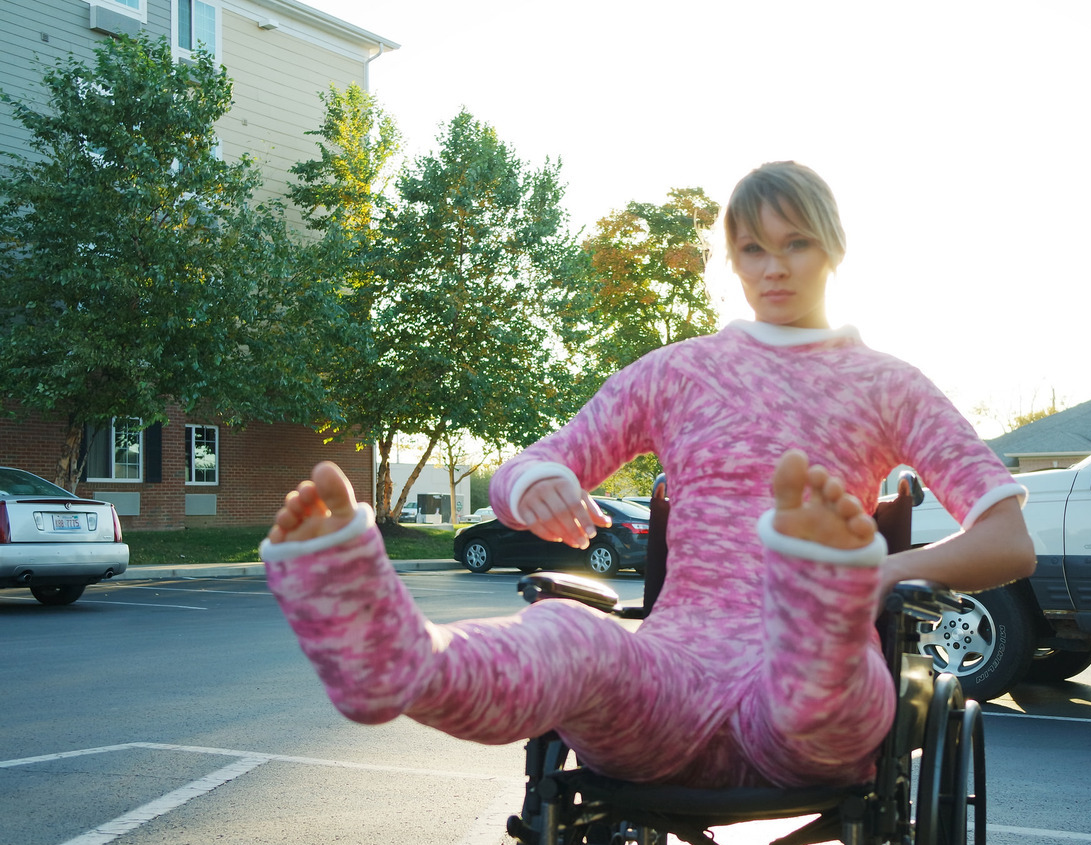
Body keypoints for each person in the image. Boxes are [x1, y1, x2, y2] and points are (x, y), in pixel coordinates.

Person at [261, 161, 1035, 789]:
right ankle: (399, 661)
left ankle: (820, 586)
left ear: (832, 247)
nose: (773, 268)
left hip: (811, 687)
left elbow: (1009, 539)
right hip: (673, 669)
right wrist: (533, 484)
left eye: (794, 244)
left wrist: (879, 576)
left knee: (815, 669)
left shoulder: (887, 382)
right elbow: (534, 460)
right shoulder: (679, 373)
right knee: (573, 635)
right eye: (752, 250)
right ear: (731, 258)